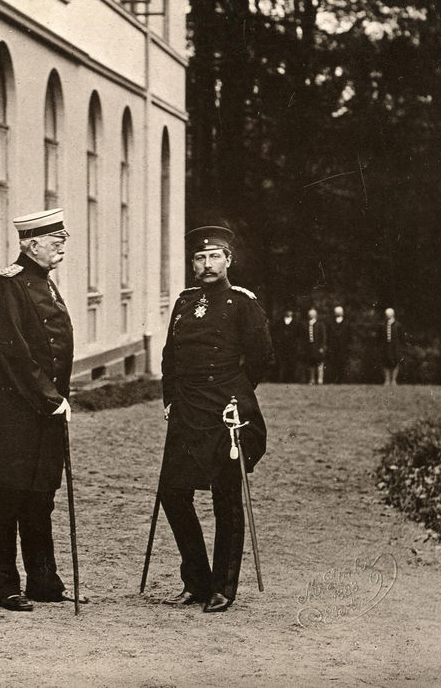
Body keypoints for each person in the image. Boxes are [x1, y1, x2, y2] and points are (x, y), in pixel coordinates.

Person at [0, 208, 87, 613]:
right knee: (6, 498)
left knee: (40, 497)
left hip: (42, 408)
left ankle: (44, 581)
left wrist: (53, 399)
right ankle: (3, 586)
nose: (61, 250)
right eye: (55, 244)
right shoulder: (8, 285)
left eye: (62, 242)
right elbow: (14, 351)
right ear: (32, 245)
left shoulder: (46, 284)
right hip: (11, 409)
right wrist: (51, 399)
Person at [158, 225, 273, 613]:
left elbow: (259, 357)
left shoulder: (243, 302)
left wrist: (236, 393)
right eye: (200, 258)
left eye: (214, 257)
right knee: (173, 493)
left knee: (226, 498)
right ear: (193, 264)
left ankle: (223, 586)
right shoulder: (184, 302)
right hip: (187, 409)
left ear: (229, 260)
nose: (207, 265)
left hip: (227, 411)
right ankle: (197, 579)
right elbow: (169, 356)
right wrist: (170, 398)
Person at [273, 309, 299, 383]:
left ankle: (291, 379)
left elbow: (298, 335)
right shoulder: (279, 322)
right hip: (282, 346)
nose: (288, 312)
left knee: (292, 363)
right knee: (282, 363)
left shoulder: (296, 323)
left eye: (290, 311)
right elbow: (275, 333)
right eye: (287, 311)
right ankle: (281, 379)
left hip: (292, 347)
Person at [302, 307, 327, 384]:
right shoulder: (306, 324)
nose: (310, 315)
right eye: (309, 314)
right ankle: (311, 379)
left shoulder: (320, 324)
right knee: (310, 363)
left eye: (312, 314)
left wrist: (322, 347)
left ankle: (320, 379)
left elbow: (323, 336)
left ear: (315, 315)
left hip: (318, 347)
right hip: (310, 347)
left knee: (319, 363)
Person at [329, 306, 351, 384]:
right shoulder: (331, 322)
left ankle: (341, 380)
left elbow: (350, 336)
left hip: (343, 347)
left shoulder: (347, 322)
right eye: (336, 312)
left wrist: (348, 346)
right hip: (333, 347)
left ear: (342, 313)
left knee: (342, 363)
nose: (338, 313)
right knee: (333, 363)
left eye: (339, 312)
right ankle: (334, 380)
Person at [382, 307, 403, 385]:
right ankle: (387, 380)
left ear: (393, 314)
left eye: (389, 314)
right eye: (387, 314)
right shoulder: (383, 325)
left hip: (395, 347)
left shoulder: (398, 325)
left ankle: (394, 380)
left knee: (396, 362)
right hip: (386, 347)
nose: (388, 315)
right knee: (385, 363)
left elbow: (401, 337)